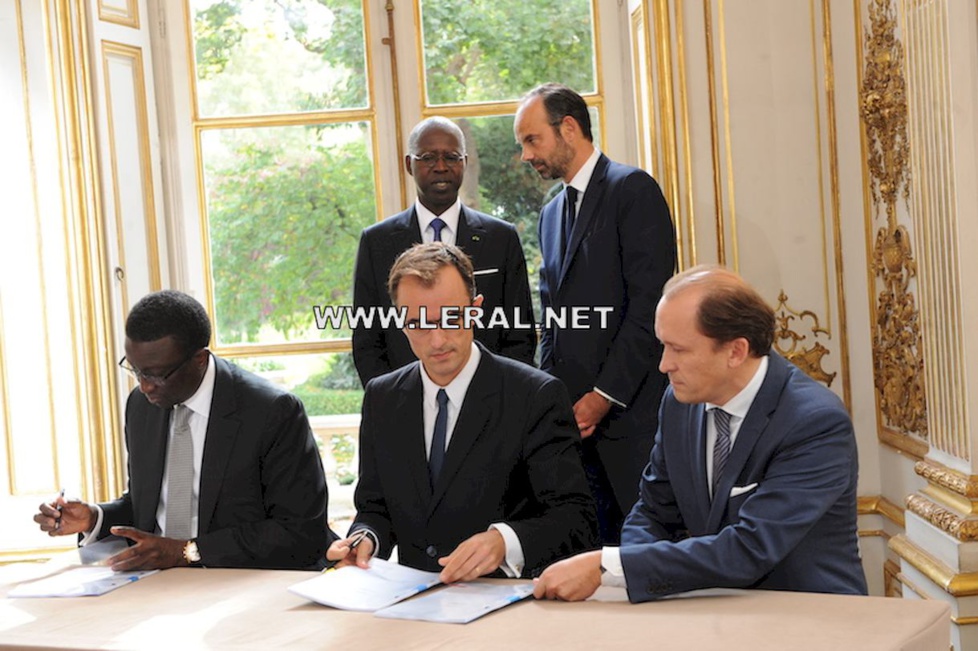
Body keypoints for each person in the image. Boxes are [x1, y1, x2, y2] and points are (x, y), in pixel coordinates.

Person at [532, 265, 868, 601]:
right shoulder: (679, 403)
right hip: (713, 614)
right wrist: (629, 575)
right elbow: (653, 510)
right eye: (663, 346)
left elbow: (750, 549)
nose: (664, 365)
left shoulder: (815, 422)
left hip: (811, 620)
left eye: (678, 349)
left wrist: (609, 566)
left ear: (735, 351)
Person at [329, 243, 596, 581]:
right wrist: (365, 539)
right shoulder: (382, 397)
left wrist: (505, 542)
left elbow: (577, 521)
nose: (437, 340)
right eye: (419, 324)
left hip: (509, 607)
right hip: (412, 611)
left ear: (477, 309)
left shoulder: (535, 396)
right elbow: (375, 508)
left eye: (452, 318)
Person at [34, 290, 334, 570]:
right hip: (154, 582)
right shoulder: (141, 405)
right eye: (136, 370)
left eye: (157, 374)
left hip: (239, 580)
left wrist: (186, 551)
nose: (145, 385)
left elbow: (300, 532)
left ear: (200, 360)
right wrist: (93, 518)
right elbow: (148, 506)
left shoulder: (271, 411)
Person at [514, 83, 677, 544]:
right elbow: (553, 321)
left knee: (648, 559)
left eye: (532, 140)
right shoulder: (549, 214)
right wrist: (549, 399)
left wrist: (603, 396)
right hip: (573, 432)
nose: (526, 155)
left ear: (568, 128)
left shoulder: (633, 189)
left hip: (633, 423)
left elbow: (650, 310)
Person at [352, 117, 536, 387]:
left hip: (491, 403)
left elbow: (520, 333)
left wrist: (504, 399)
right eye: (428, 157)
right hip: (407, 404)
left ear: (464, 161)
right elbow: (367, 339)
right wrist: (391, 398)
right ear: (409, 164)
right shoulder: (376, 242)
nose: (440, 167)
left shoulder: (501, 238)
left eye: (451, 157)